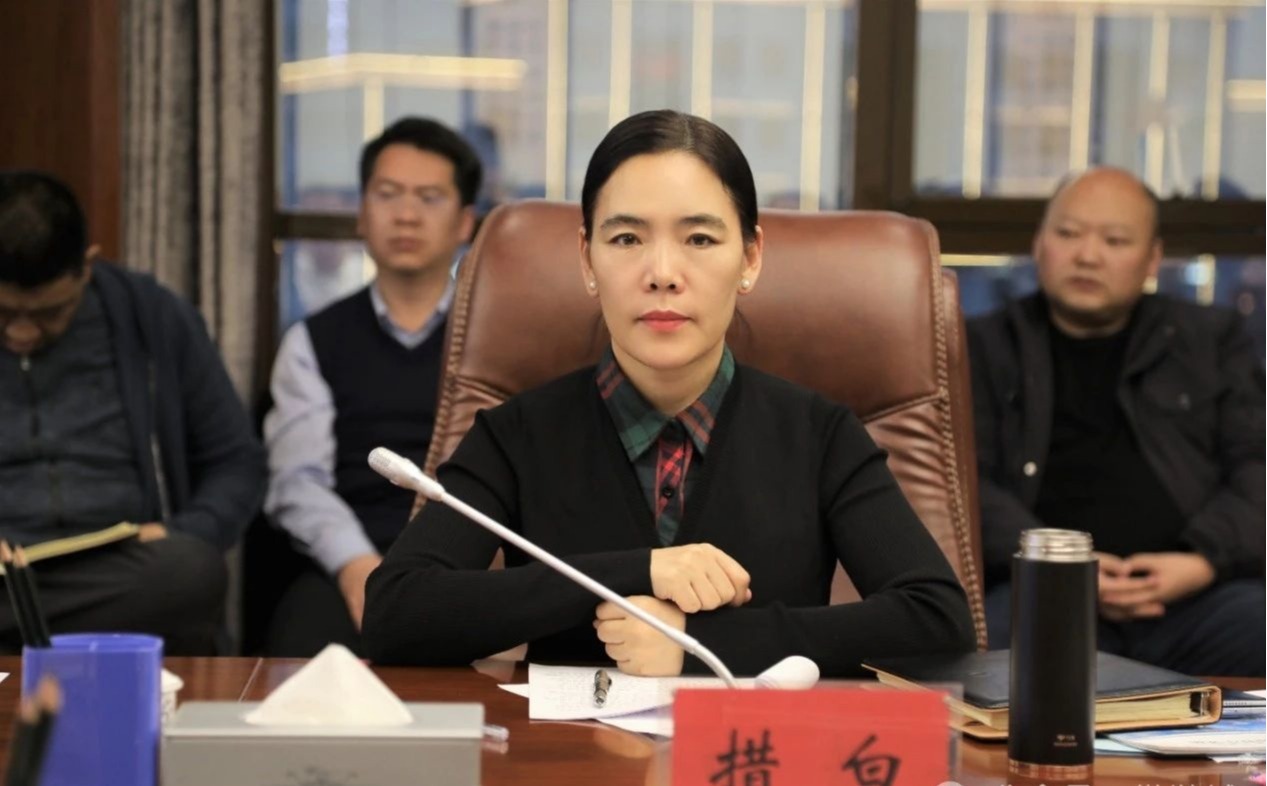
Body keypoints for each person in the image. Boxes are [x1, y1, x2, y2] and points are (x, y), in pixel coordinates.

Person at [361, 110, 975, 677]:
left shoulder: (818, 435)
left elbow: (938, 623)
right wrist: (636, 571)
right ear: (587, 261)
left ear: (750, 258)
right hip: (571, 751)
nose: (661, 273)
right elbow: (395, 614)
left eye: (699, 239)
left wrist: (698, 645)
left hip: (753, 749)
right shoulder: (518, 435)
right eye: (627, 239)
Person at [969, 167, 1265, 676]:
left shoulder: (1212, 340)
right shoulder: (986, 345)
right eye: (1068, 233)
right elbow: (965, 483)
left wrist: (1202, 561)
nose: (1088, 255)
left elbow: (1256, 468)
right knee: (981, 648)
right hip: (1042, 592)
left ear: (1152, 259)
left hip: (1196, 599)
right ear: (1038, 244)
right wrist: (1060, 565)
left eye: (1115, 240)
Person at [0, 170, 264, 654]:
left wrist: (179, 531)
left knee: (191, 570)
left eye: (47, 314)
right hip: (4, 577)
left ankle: (31, 632)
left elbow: (236, 463)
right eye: (4, 313)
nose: (21, 333)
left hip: (118, 572)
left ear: (87, 266)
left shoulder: (151, 316)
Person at [262, 117, 482, 656]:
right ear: (362, 213)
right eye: (387, 194)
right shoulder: (313, 341)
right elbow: (298, 482)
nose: (406, 214)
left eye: (429, 197)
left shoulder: (498, 338)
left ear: (465, 222)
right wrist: (355, 563)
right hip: (349, 558)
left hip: (472, 563)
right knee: (298, 652)